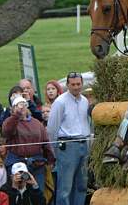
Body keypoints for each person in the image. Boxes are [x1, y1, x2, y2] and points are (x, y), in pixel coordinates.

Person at [46, 72, 90, 205]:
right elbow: (52, 128)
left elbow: (86, 123)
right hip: (67, 146)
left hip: (84, 144)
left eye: (78, 84)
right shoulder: (60, 102)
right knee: (65, 187)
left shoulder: (85, 101)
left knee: (81, 185)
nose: (76, 87)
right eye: (73, 84)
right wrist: (54, 150)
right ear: (67, 85)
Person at [1, 97, 54, 191]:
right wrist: (16, 115)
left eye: (23, 105)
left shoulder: (37, 123)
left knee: (38, 192)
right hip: (17, 164)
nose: (21, 108)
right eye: (18, 106)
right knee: (19, 193)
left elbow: (45, 142)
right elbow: (7, 132)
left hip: (36, 164)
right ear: (13, 109)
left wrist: (50, 159)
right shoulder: (9, 122)